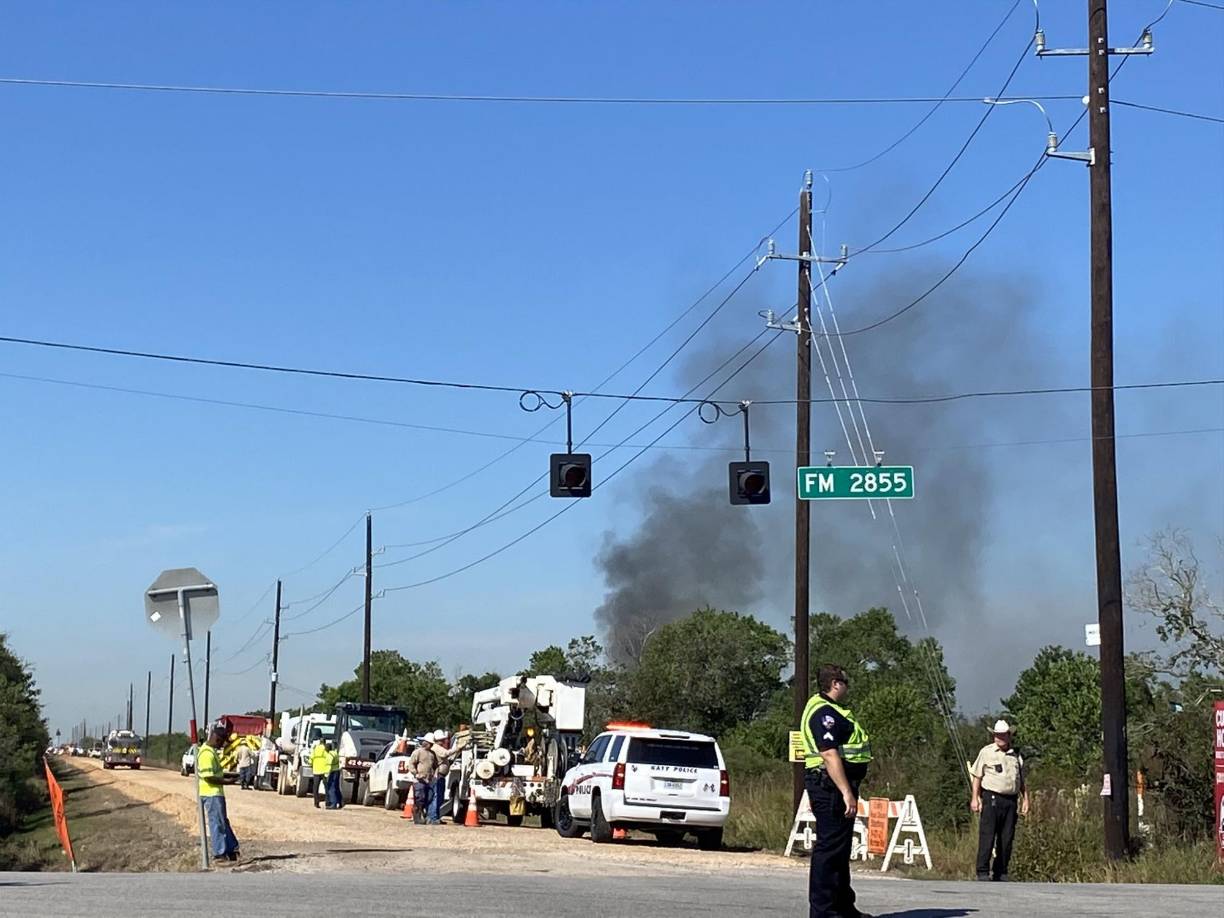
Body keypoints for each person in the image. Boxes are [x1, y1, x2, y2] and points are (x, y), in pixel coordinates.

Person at [800, 664, 873, 918]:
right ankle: (824, 911)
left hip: (832, 785)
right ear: (835, 684)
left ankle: (843, 905)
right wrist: (846, 792)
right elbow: (829, 754)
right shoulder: (824, 713)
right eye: (846, 682)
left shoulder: (831, 709)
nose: (847, 687)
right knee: (829, 851)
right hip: (831, 787)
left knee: (840, 850)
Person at [970, 719, 1028, 882]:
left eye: (1002, 735)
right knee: (987, 835)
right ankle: (982, 870)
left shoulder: (1016, 755)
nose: (999, 738)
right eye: (997, 735)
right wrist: (975, 798)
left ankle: (1001, 870)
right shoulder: (986, 752)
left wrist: (1026, 799)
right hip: (992, 797)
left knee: (1007, 837)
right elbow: (977, 776)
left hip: (1011, 800)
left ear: (1009, 736)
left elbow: (1021, 780)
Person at [197, 726, 240, 864]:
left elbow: (215, 773)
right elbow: (209, 777)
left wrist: (228, 776)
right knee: (217, 824)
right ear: (217, 738)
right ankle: (219, 854)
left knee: (222, 822)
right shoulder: (206, 754)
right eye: (222, 742)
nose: (222, 745)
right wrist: (227, 781)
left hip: (215, 793)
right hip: (211, 793)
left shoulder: (211, 752)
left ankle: (230, 849)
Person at [407, 733, 438, 825]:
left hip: (428, 780)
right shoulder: (418, 752)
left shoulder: (432, 754)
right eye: (429, 743)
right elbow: (411, 764)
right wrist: (415, 773)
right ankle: (417, 817)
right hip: (419, 780)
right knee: (420, 798)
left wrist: (435, 775)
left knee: (428, 797)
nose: (430, 745)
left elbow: (435, 765)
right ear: (425, 742)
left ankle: (423, 815)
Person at [309, 736, 331, 809]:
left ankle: (316, 803)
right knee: (327, 788)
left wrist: (311, 765)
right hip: (324, 771)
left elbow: (311, 759)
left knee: (315, 788)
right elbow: (328, 758)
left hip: (316, 771)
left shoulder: (315, 749)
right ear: (324, 742)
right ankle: (327, 803)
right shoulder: (326, 749)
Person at [324, 740, 343, 809]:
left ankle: (333, 804)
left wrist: (326, 775)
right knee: (336, 787)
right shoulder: (335, 753)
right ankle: (340, 802)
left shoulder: (330, 755)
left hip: (332, 772)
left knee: (331, 788)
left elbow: (329, 766)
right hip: (337, 771)